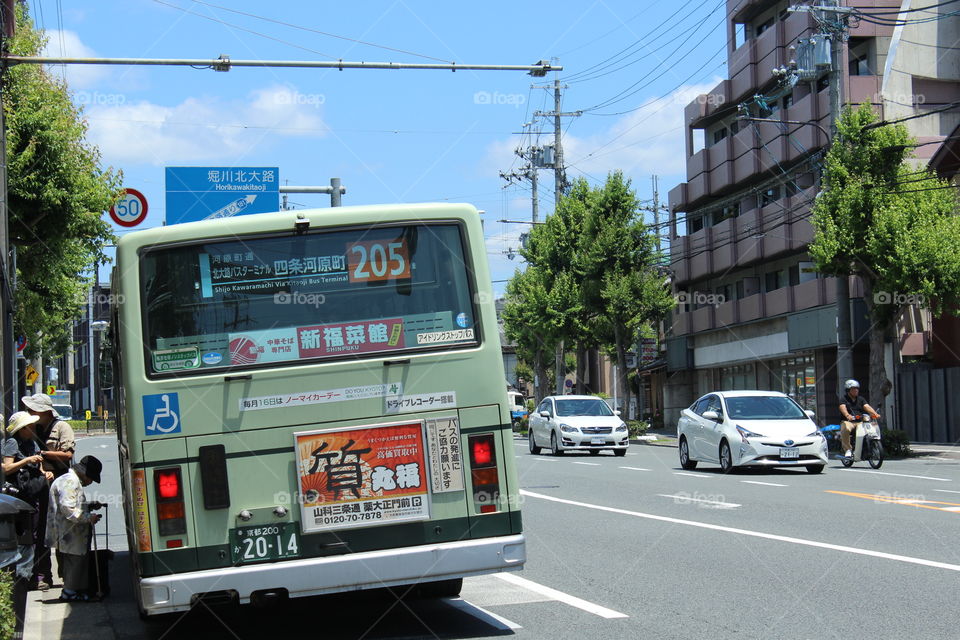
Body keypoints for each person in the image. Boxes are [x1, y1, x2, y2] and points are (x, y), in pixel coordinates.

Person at [22, 393, 76, 591]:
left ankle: (66, 573)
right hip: (39, 482)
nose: (29, 412)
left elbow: (68, 455)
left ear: (44, 411)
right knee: (41, 528)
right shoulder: (31, 428)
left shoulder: (62, 427)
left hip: (60, 481)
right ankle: (43, 574)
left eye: (32, 409)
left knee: (62, 527)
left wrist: (43, 454)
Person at [1, 412, 53, 586]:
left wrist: (45, 473)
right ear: (22, 429)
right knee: (25, 536)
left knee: (37, 534)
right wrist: (27, 460)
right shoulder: (12, 442)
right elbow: (7, 468)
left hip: (35, 493)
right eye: (29, 427)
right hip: (20, 496)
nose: (33, 429)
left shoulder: (32, 443)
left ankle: (35, 574)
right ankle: (24, 577)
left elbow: (39, 468)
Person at [46, 455, 102, 602]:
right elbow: (68, 508)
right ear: (84, 473)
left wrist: (88, 506)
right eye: (91, 478)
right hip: (68, 531)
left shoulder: (70, 480)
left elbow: (69, 503)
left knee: (76, 560)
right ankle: (69, 592)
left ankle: (74, 590)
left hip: (69, 531)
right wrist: (88, 517)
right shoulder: (70, 481)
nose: (90, 482)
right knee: (74, 561)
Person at [839, 379, 881, 458]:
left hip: (860, 421)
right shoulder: (843, 399)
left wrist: (875, 414)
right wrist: (848, 415)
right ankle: (848, 449)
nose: (856, 390)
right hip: (848, 421)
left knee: (869, 429)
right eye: (853, 388)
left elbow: (866, 407)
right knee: (846, 429)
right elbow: (842, 407)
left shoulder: (861, 399)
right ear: (848, 390)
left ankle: (868, 447)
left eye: (857, 388)